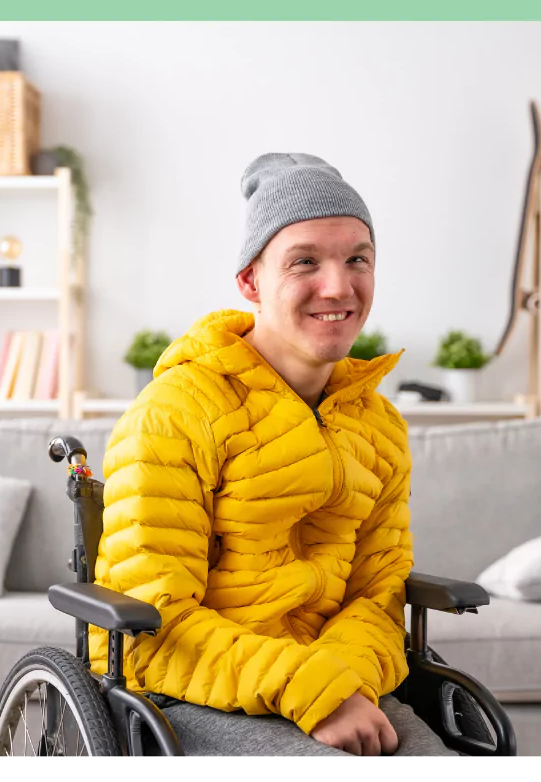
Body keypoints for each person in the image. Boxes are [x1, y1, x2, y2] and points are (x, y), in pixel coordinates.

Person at [88, 153, 458, 758]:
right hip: (193, 687)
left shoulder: (380, 426)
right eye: (304, 261)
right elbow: (152, 622)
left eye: (357, 259)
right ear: (251, 283)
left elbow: (378, 595)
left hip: (335, 680)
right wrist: (311, 689)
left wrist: (337, 684)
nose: (338, 286)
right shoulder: (175, 412)